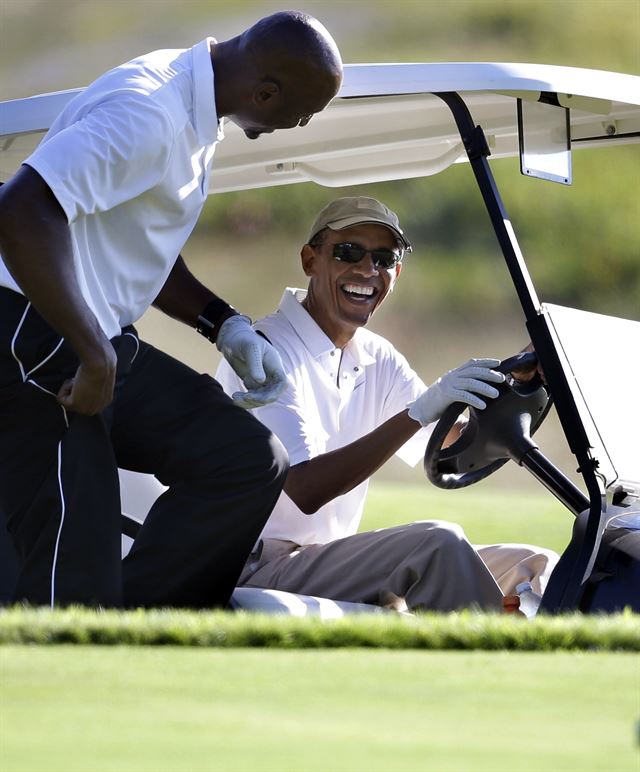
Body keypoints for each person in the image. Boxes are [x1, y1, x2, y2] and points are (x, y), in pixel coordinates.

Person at [0, 12, 343, 609]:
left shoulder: (192, 101)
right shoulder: (150, 112)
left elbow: (136, 239)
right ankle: (82, 653)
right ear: (266, 93)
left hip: (89, 337)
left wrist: (222, 322)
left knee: (244, 460)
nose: (300, 125)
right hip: (32, 336)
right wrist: (91, 351)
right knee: (73, 566)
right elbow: (20, 210)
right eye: (303, 113)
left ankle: (138, 627)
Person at [216, 197, 559, 612]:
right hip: (253, 564)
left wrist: (513, 386)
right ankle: (504, 661)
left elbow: (453, 443)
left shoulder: (378, 356)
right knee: (437, 544)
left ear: (396, 272)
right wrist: (415, 414)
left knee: (536, 564)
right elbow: (306, 488)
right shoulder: (266, 350)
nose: (366, 270)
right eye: (348, 252)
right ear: (310, 260)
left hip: (326, 559)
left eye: (383, 258)